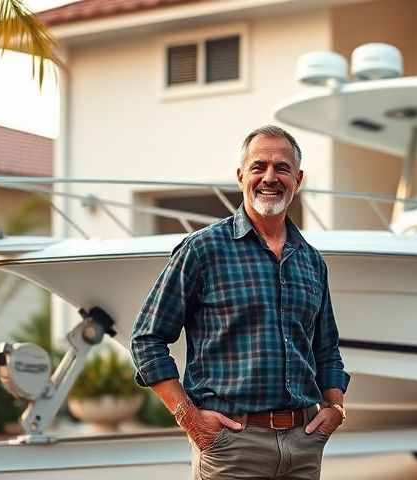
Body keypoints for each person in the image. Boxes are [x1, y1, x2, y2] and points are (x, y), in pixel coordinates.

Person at [131, 125, 349, 480]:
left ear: (298, 178)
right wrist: (189, 417)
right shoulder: (203, 250)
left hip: (304, 444)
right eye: (258, 166)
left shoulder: (311, 261)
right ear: (240, 176)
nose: (269, 177)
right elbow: (147, 339)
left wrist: (336, 408)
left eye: (281, 168)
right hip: (231, 446)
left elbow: (326, 349)